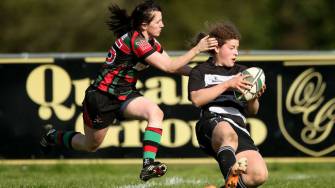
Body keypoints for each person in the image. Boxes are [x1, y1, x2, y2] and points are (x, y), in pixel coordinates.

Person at [40, 0, 217, 182]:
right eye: (158, 21)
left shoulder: (150, 42)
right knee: (90, 144)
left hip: (124, 94)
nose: (162, 25)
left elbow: (175, 66)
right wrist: (197, 50)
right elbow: (170, 67)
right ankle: (53, 136)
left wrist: (203, 74)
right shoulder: (135, 41)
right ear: (144, 25)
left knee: (155, 112)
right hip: (102, 97)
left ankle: (148, 164)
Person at [188, 22, 268, 188]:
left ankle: (227, 186)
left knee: (258, 175)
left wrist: (253, 98)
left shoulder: (243, 71)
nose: (236, 53)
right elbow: (196, 99)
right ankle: (232, 177)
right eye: (231, 48)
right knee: (227, 133)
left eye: (237, 48)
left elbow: (253, 111)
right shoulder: (200, 71)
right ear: (217, 48)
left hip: (238, 124)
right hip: (212, 121)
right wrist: (227, 84)